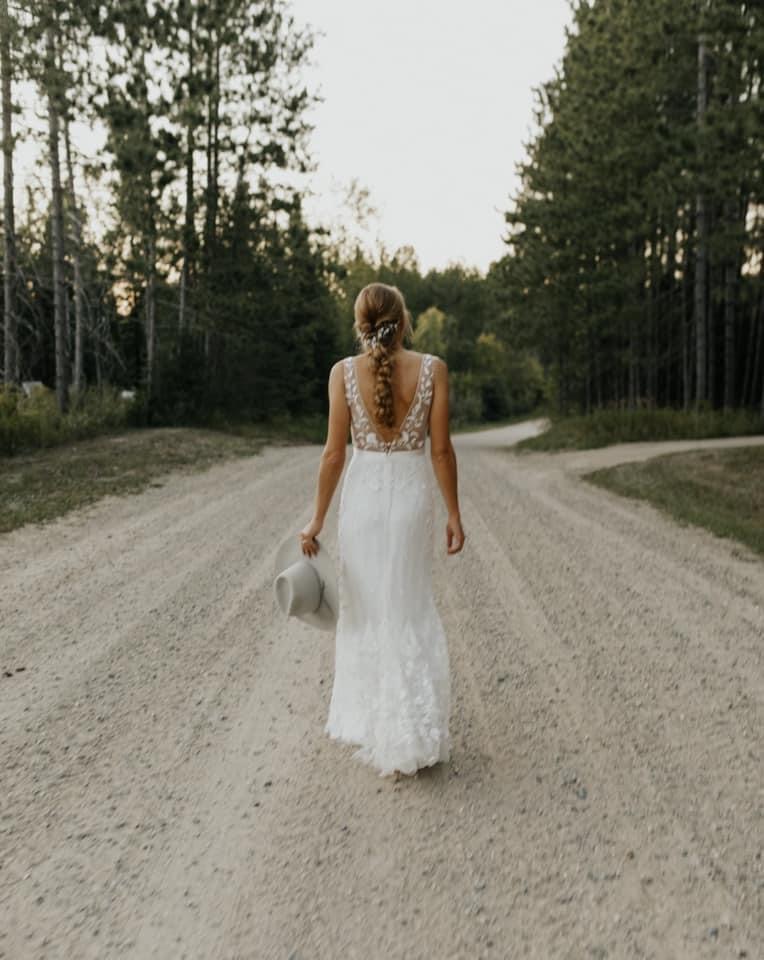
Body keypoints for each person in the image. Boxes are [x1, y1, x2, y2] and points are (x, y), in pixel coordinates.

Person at [299, 282, 465, 780]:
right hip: (411, 496)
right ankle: (413, 729)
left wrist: (316, 520)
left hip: (365, 499)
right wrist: (455, 514)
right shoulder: (433, 369)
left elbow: (333, 454)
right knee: (408, 605)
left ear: (360, 324)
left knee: (369, 609)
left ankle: (380, 726)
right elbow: (440, 451)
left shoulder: (342, 373)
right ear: (404, 319)